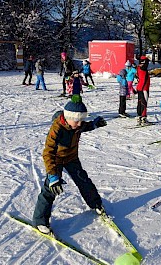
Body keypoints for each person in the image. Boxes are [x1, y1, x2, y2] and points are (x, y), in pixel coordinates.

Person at [32, 94, 107, 234]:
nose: (79, 124)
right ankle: (39, 221)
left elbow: (84, 126)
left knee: (83, 181)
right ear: (68, 117)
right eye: (77, 121)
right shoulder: (57, 128)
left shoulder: (76, 123)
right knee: (50, 189)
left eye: (81, 120)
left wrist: (94, 124)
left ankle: (96, 203)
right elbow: (48, 152)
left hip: (71, 158)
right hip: (57, 160)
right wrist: (53, 174)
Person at [136, 56, 151, 125]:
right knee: (144, 103)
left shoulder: (139, 68)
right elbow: (143, 80)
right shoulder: (143, 69)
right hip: (144, 89)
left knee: (140, 102)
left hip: (140, 88)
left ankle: (139, 116)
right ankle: (143, 118)